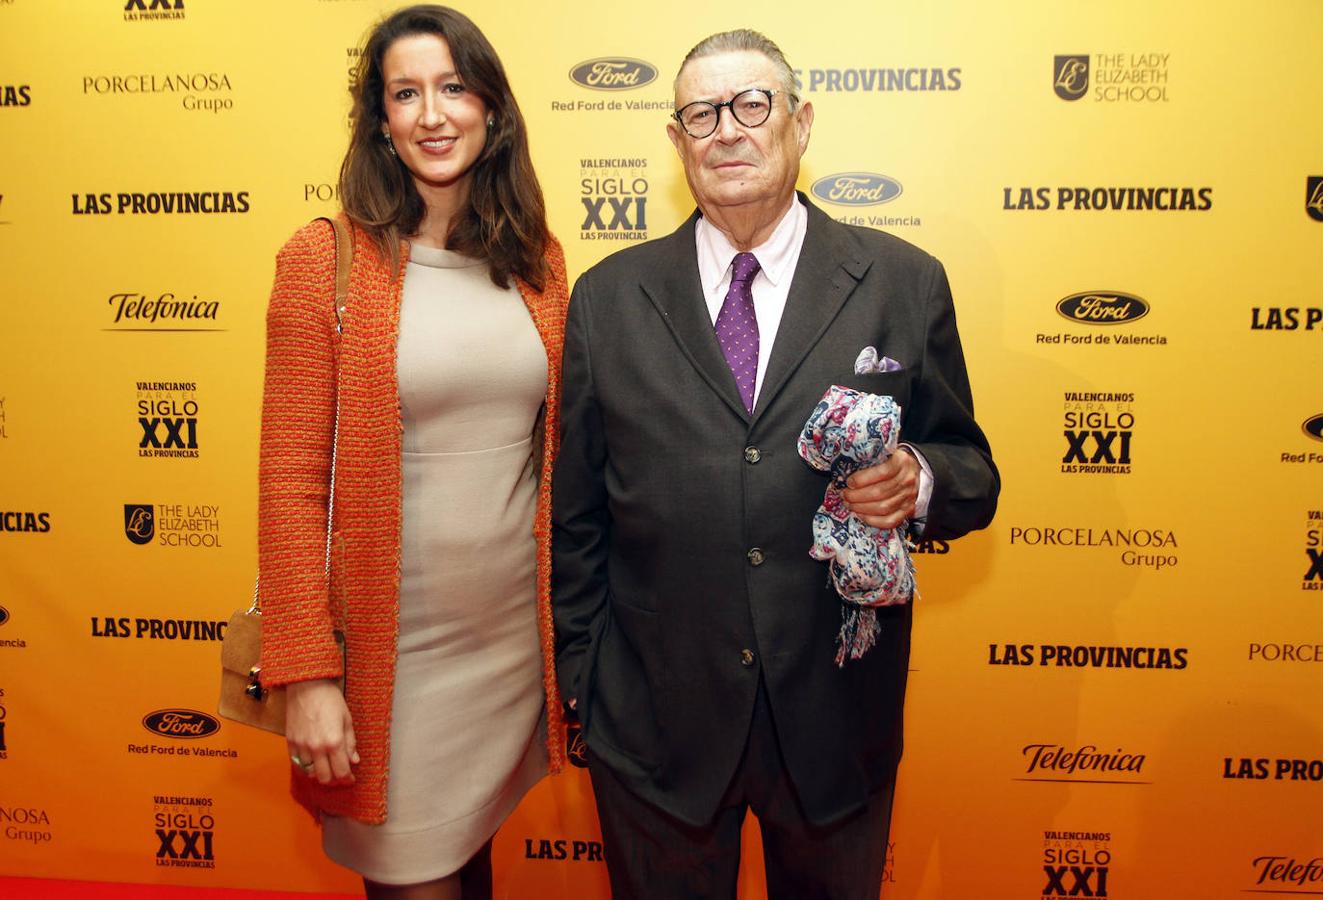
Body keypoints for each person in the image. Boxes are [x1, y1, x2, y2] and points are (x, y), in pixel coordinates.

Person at [552, 28, 999, 900]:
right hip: (652, 726)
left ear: (799, 122)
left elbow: (970, 468)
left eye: (751, 105)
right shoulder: (606, 298)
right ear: (677, 143)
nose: (728, 130)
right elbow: (576, 519)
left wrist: (920, 478)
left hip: (834, 719)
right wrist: (582, 684)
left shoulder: (902, 282)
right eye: (701, 113)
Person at [256, 6, 568, 899]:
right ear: (382, 124)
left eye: (453, 87)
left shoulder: (538, 264)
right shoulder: (327, 261)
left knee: (472, 871)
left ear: (492, 111)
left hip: (510, 652)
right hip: (391, 670)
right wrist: (308, 676)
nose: (433, 114)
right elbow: (288, 483)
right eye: (405, 93)